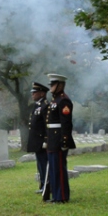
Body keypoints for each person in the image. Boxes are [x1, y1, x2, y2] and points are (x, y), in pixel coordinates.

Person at [44, 73, 76, 203]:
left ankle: (62, 196)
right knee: (53, 169)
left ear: (60, 85)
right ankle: (56, 196)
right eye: (50, 84)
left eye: (53, 84)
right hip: (52, 139)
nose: (50, 87)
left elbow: (66, 123)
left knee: (59, 170)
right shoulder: (54, 100)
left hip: (58, 140)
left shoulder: (63, 101)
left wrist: (64, 140)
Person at [27, 81, 49, 195]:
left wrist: (46, 140)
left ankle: (46, 185)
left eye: (35, 92)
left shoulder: (45, 106)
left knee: (44, 164)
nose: (32, 94)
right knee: (40, 164)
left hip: (41, 141)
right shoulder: (38, 105)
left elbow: (46, 125)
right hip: (37, 141)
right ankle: (42, 184)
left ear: (42, 93)